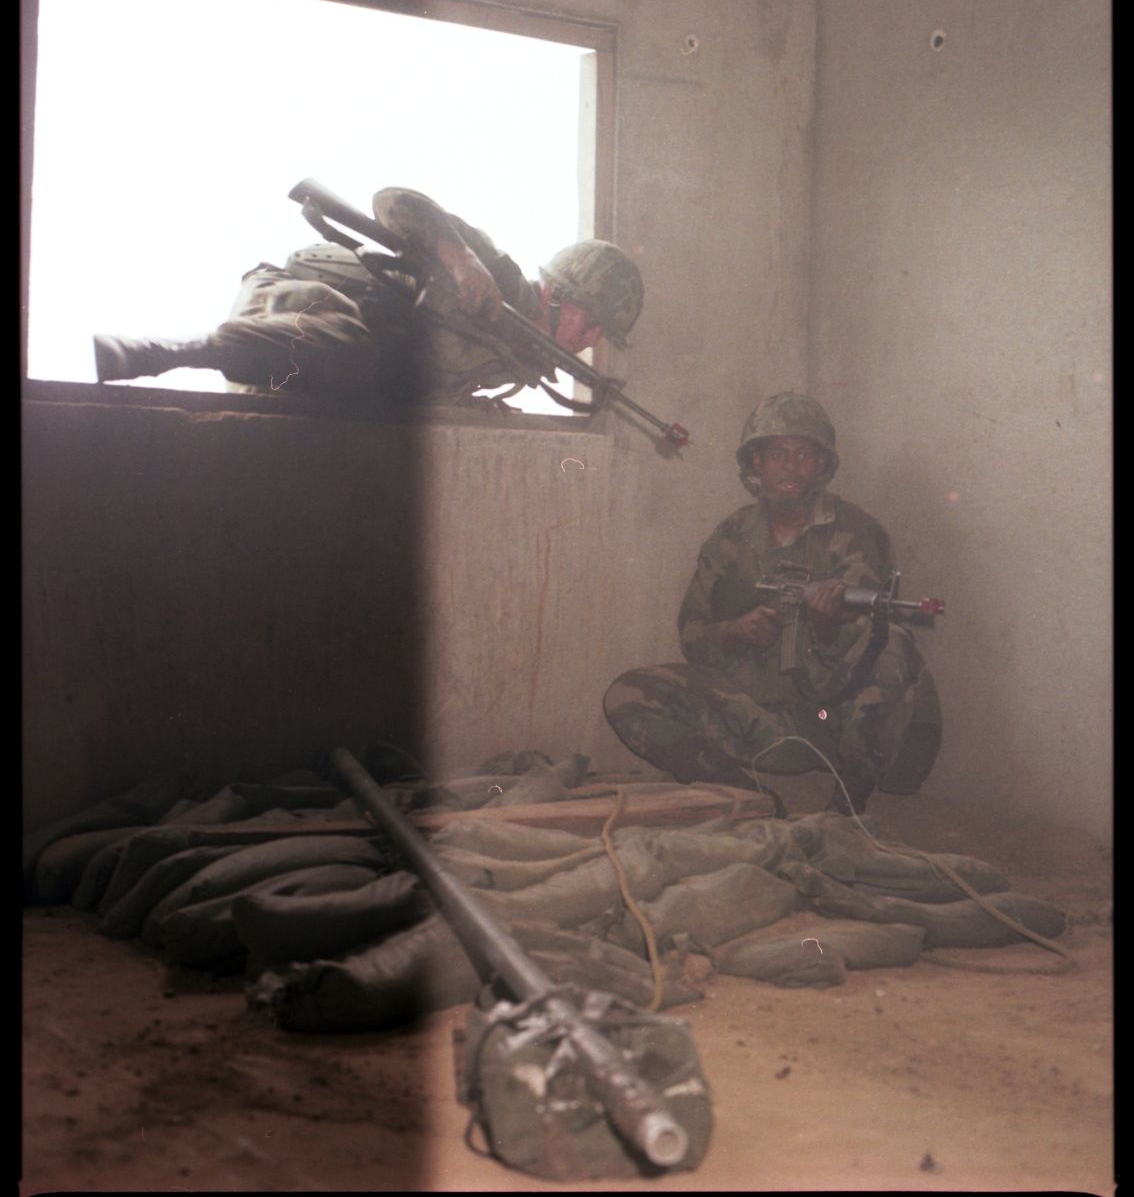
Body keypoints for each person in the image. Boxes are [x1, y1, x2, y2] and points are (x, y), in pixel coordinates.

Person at [603, 392, 942, 815]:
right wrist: (733, 631)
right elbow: (691, 633)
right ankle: (748, 798)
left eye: (804, 454)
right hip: (759, 717)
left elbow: (867, 641)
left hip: (828, 720)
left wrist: (825, 626)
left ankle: (846, 810)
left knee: (891, 640)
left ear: (821, 465)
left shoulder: (855, 533)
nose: (790, 465)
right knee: (629, 694)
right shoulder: (732, 536)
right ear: (756, 463)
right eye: (777, 453)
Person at [93, 186, 645, 405]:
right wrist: (460, 257)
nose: (591, 340)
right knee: (353, 345)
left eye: (601, 333)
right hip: (297, 300)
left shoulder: (516, 363)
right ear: (555, 294)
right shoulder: (498, 277)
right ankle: (161, 353)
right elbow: (395, 201)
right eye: (590, 321)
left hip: (292, 367)